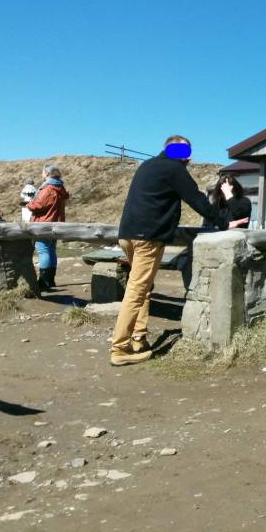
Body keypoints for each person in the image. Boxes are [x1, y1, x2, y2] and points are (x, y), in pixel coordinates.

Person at [110, 135, 231, 367]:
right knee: (136, 291)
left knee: (143, 288)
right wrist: (223, 221)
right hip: (147, 237)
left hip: (127, 234)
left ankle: (138, 339)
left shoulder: (149, 165)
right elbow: (196, 199)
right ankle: (119, 348)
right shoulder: (173, 169)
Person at [176, 173, 252, 291]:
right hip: (212, 243)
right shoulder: (216, 205)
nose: (223, 193)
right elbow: (206, 225)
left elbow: (239, 213)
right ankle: (192, 290)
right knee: (184, 259)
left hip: (231, 245)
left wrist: (229, 195)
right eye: (222, 190)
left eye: (227, 188)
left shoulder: (243, 202)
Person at [26, 164, 70, 291]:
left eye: (43, 172)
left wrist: (29, 205)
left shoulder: (48, 188)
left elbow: (39, 205)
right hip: (55, 223)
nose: (41, 174)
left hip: (44, 224)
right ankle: (50, 280)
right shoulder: (59, 188)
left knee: (43, 250)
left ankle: (44, 282)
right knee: (50, 251)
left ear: (47, 174)